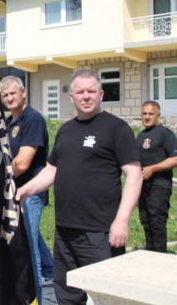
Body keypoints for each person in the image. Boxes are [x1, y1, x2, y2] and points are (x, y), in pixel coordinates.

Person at [16, 69, 142, 305]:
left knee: (107, 297)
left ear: (101, 94)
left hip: (101, 233)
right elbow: (52, 170)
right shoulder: (65, 130)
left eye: (91, 91)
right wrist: (27, 190)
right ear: (71, 97)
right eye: (80, 92)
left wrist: (122, 220)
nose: (86, 96)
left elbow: (134, 175)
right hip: (64, 232)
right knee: (67, 296)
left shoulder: (117, 128)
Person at [0, 76, 53, 304]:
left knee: (30, 250)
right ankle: (52, 270)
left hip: (31, 193)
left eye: (13, 93)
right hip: (15, 192)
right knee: (31, 237)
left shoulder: (33, 119)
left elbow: (22, 163)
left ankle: (36, 298)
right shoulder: (8, 122)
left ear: (23, 92)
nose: (10, 98)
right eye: (5, 95)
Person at [137, 101, 177, 253]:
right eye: (144, 114)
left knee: (157, 221)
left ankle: (160, 255)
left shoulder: (165, 133)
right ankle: (150, 252)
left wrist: (153, 168)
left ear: (158, 116)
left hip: (159, 185)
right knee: (145, 220)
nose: (147, 117)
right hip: (143, 186)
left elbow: (175, 159)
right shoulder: (140, 135)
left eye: (151, 114)